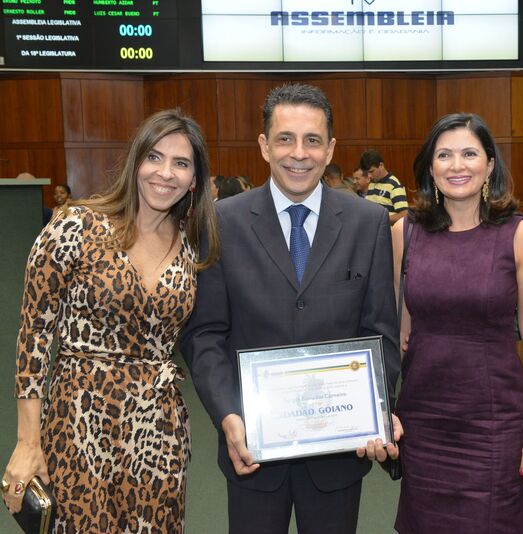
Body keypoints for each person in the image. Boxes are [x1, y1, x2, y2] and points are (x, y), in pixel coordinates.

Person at [179, 83, 400, 534]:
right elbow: (205, 334)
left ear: (330, 148)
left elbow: (380, 332)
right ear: (264, 145)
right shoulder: (221, 222)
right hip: (252, 450)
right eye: (285, 139)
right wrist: (227, 415)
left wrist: (377, 407)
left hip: (339, 455)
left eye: (312, 140)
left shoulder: (368, 222)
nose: (299, 153)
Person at [2, 108, 219, 532]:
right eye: (154, 157)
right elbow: (34, 335)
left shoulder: (193, 246)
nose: (165, 173)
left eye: (181, 163)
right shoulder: (75, 226)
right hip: (80, 423)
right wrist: (28, 442)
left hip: (159, 431)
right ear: (136, 160)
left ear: (194, 179)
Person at [375, 113, 523, 532]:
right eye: (444, 155)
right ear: (430, 167)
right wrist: (380, 409)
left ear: (490, 165)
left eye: (470, 154)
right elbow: (398, 334)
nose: (457, 165)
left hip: (494, 425)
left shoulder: (520, 235)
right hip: (423, 422)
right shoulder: (405, 233)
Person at [360, 149, 408, 223]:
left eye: (371, 171)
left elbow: (404, 215)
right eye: (367, 173)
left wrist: (380, 219)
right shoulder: (372, 183)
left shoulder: (394, 185)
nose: (369, 176)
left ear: (381, 165)